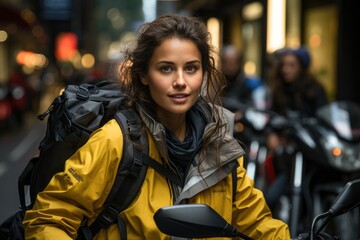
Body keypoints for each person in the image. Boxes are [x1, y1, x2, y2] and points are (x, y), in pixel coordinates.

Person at [23, 14, 290, 239]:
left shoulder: (220, 144)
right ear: (143, 75)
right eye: (165, 69)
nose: (180, 81)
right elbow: (49, 219)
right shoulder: (116, 141)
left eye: (191, 68)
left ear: (204, 73)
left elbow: (257, 225)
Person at [264, 46, 328, 211]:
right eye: (284, 65)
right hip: (289, 160)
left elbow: (324, 119)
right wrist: (272, 134)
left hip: (313, 159)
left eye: (291, 65)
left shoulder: (315, 89)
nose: (286, 69)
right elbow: (271, 117)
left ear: (301, 67)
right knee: (270, 198)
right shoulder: (278, 91)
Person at [220, 44, 266, 112]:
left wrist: (243, 114)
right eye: (225, 62)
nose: (229, 66)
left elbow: (259, 108)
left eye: (232, 62)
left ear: (239, 63)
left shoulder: (251, 84)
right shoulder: (216, 82)